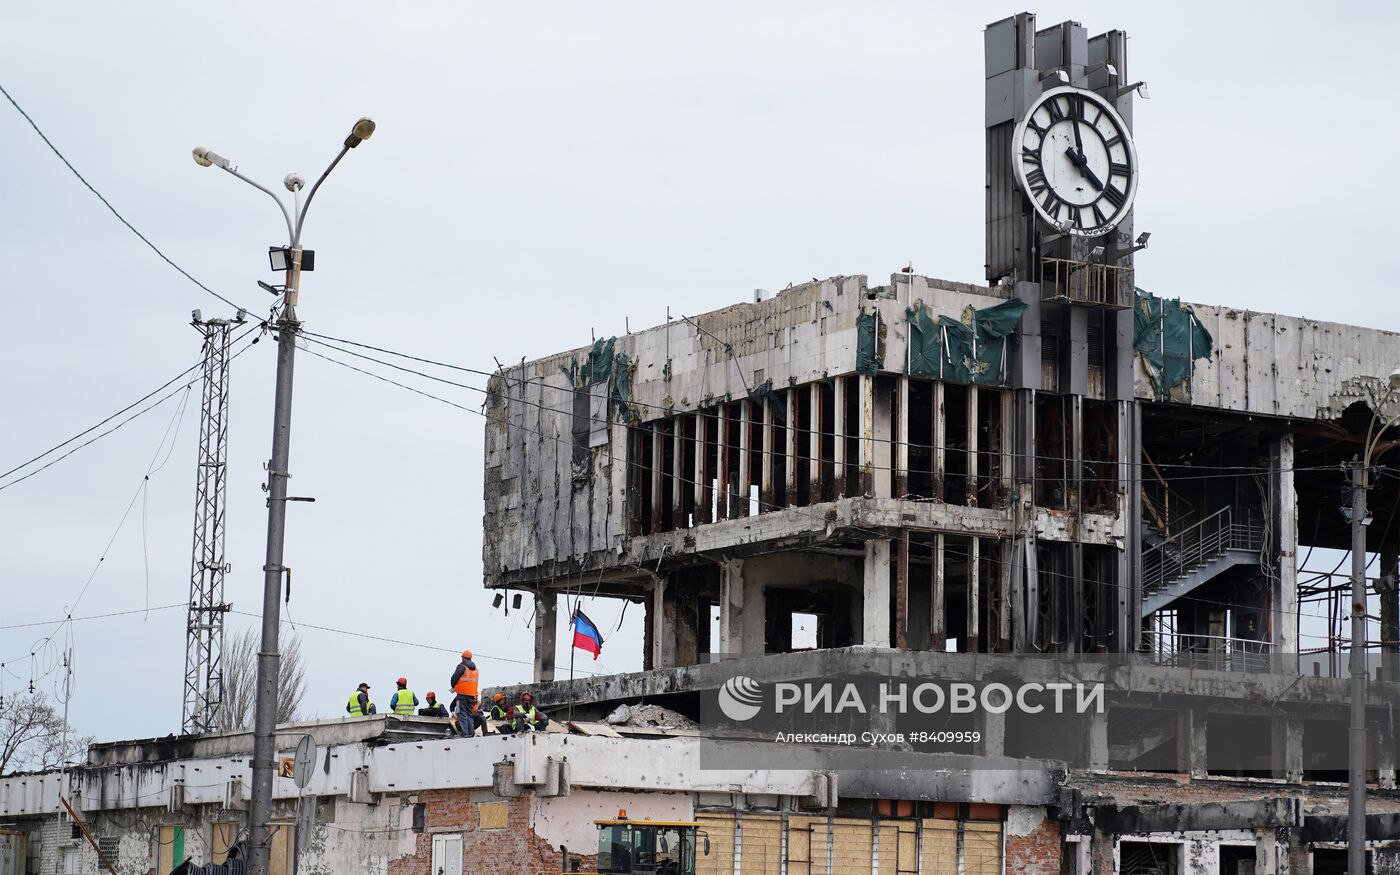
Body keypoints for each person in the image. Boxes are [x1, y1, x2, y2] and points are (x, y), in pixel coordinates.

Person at [449, 650, 486, 737]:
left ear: (463, 657)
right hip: (472, 695)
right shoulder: (476, 670)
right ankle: (471, 733)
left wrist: (455, 687)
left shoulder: (461, 666)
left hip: (461, 694)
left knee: (461, 714)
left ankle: (465, 734)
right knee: (469, 714)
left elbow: (453, 679)